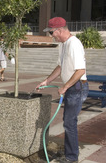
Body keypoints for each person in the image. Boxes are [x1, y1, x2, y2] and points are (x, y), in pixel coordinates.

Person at [36, 17, 89, 163]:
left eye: (51, 32)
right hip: (72, 87)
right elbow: (60, 67)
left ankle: (72, 157)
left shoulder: (74, 44)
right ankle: (69, 154)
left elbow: (80, 70)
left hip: (77, 87)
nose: (51, 36)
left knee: (69, 122)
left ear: (59, 30)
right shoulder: (63, 45)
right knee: (68, 122)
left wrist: (65, 87)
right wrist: (47, 81)